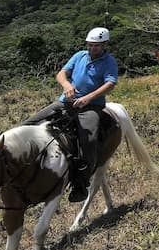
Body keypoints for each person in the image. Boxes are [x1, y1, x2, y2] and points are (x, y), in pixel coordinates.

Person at [23, 27, 118, 202]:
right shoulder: (79, 55)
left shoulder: (109, 61)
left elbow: (110, 83)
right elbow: (62, 73)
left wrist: (88, 98)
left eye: (96, 46)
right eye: (90, 45)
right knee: (27, 125)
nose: (92, 48)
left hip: (91, 107)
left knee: (88, 140)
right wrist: (67, 85)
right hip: (65, 102)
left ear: (104, 45)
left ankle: (80, 184)